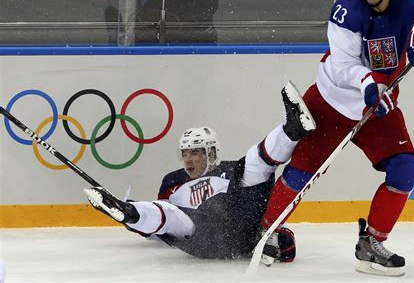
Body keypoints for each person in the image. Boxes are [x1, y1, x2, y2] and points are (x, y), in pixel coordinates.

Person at [258, 0, 414, 276]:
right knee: (302, 173)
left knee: (405, 170)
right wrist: (371, 87)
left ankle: (371, 244)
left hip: (379, 110)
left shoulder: (411, 2)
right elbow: (344, 67)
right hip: (332, 104)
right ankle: (267, 229)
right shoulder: (347, 11)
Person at [84, 81, 316, 261]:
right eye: (185, 153)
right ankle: (128, 211)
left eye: (195, 152)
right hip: (205, 237)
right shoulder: (172, 182)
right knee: (173, 215)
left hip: (241, 227)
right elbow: (164, 227)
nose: (188, 159)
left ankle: (292, 130)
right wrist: (132, 218)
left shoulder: (230, 170)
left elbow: (258, 196)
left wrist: (276, 235)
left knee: (254, 164)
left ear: (211, 153)